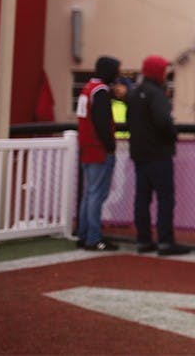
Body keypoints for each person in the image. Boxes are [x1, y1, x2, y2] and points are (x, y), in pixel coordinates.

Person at [127, 55, 190, 256]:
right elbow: (164, 122)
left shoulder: (135, 94)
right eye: (164, 71)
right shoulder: (156, 94)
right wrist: (173, 135)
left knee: (142, 198)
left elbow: (130, 122)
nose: (166, 74)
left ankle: (143, 239)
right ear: (158, 72)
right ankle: (165, 241)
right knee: (165, 199)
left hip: (139, 153)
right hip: (158, 154)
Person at [76, 55, 120, 251]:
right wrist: (110, 145)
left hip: (86, 147)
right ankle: (94, 237)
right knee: (96, 194)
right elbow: (102, 123)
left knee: (89, 193)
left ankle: (84, 234)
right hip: (98, 149)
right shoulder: (101, 91)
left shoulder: (87, 89)